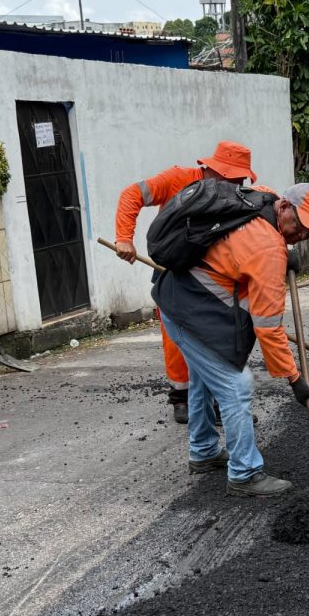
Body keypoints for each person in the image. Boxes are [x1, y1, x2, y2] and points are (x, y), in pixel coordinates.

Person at [153, 183, 309, 498]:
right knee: (236, 386)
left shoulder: (263, 196)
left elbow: (243, 249)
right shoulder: (268, 251)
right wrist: (294, 378)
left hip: (177, 296)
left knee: (204, 379)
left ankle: (204, 451)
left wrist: (285, 247)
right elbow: (268, 328)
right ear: (285, 207)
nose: (302, 234)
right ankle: (245, 473)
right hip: (189, 309)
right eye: (299, 225)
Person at [114, 141, 259, 424]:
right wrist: (123, 238)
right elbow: (132, 194)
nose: (239, 183)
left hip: (211, 274)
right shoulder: (178, 179)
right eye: (235, 177)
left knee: (220, 333)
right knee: (176, 337)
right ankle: (180, 395)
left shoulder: (233, 195)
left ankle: (221, 400)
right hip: (172, 270)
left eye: (242, 179)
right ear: (217, 170)